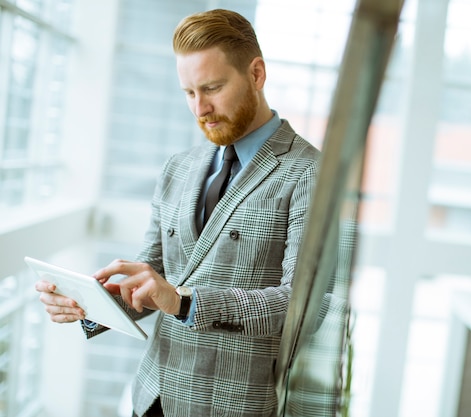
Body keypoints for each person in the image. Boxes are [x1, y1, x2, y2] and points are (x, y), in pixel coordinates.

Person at [35, 8, 321, 417]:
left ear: (256, 74)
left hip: (231, 406)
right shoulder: (179, 167)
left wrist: (184, 302)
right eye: (189, 93)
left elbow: (300, 306)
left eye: (212, 88)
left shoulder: (310, 173)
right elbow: (153, 277)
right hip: (153, 396)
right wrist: (90, 306)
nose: (199, 108)